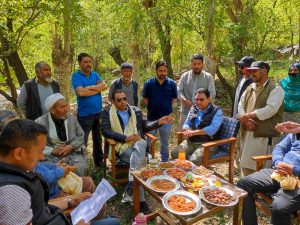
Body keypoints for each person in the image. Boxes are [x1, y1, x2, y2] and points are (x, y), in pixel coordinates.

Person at [0, 119, 121, 225]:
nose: (42, 157)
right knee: (113, 222)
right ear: (19, 153)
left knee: (111, 221)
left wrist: (71, 201)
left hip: (56, 217)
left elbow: (38, 210)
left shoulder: (15, 173)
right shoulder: (10, 191)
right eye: (40, 151)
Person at [101, 90, 172, 214]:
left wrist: (158, 122)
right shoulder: (108, 112)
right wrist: (125, 138)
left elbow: (144, 126)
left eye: (124, 98)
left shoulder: (134, 110)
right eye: (119, 100)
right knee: (142, 160)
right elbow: (105, 131)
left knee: (141, 146)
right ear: (113, 101)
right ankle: (141, 200)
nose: (123, 102)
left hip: (137, 145)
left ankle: (131, 189)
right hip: (121, 147)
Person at [237, 121, 300, 225]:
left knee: (279, 208)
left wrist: (294, 170)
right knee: (243, 184)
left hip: (298, 181)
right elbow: (280, 148)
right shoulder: (296, 131)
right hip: (279, 172)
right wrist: (278, 162)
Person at [237, 61, 285, 176]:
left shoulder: (276, 89)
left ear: (264, 70)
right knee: (244, 165)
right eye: (251, 71)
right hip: (246, 131)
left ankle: (258, 192)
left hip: (263, 135)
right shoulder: (250, 87)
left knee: (260, 168)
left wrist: (248, 116)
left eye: (254, 71)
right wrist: (247, 121)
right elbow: (241, 105)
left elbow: (270, 110)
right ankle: (246, 190)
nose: (251, 73)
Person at [35, 93, 89, 176]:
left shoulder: (71, 119)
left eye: (66, 106)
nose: (66, 110)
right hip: (50, 157)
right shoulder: (40, 122)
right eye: (62, 107)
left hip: (72, 153)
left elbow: (81, 135)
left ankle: (81, 187)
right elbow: (35, 145)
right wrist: (52, 150)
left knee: (82, 167)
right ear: (52, 110)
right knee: (51, 171)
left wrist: (71, 146)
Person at [71, 53, 107, 167]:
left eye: (89, 62)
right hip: (85, 115)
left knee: (98, 139)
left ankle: (99, 163)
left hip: (98, 112)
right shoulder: (76, 76)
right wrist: (97, 89)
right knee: (83, 141)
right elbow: (80, 93)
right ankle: (82, 164)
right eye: (85, 62)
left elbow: (104, 86)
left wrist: (89, 88)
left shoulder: (95, 74)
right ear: (80, 63)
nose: (88, 64)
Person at [171, 88, 223, 165]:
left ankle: (192, 175)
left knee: (194, 161)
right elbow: (187, 123)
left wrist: (194, 132)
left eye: (201, 99)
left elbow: (212, 129)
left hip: (208, 143)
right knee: (175, 153)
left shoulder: (217, 110)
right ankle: (182, 172)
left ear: (209, 99)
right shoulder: (193, 108)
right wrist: (186, 129)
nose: (198, 102)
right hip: (191, 141)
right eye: (196, 100)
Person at [143, 61, 177, 162]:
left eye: (164, 71)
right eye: (160, 71)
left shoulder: (172, 83)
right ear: (156, 71)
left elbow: (174, 99)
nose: (162, 73)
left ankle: (164, 160)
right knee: (150, 140)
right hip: (152, 118)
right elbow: (145, 99)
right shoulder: (149, 83)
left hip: (166, 118)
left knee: (165, 141)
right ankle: (149, 159)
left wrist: (165, 107)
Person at [177, 54, 216, 128]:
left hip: (202, 114)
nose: (196, 66)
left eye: (198, 64)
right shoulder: (185, 76)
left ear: (202, 64)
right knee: (183, 135)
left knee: (198, 136)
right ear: (191, 64)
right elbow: (178, 90)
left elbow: (212, 94)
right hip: (185, 112)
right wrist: (184, 100)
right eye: (194, 64)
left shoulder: (208, 77)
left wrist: (201, 104)